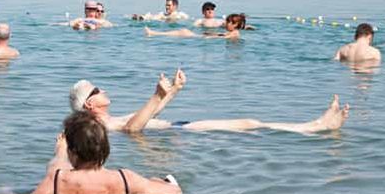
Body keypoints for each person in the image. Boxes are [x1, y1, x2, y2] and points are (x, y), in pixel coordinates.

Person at [70, 73, 349, 134]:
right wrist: (156, 95)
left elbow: (150, 113)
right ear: (89, 105)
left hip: (179, 128)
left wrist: (174, 90)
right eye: (96, 90)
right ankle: (316, 127)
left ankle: (315, 124)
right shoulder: (104, 127)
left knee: (250, 123)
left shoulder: (109, 120)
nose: (103, 89)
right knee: (250, 124)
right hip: (182, 131)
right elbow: (134, 129)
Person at [32, 111, 182, 194]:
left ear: (72, 152)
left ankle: (60, 151)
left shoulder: (57, 180)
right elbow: (175, 192)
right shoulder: (125, 179)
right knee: (154, 182)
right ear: (105, 148)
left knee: (57, 165)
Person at [144, 13, 246, 39]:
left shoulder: (235, 33)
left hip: (203, 38)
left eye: (228, 22)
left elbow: (225, 38)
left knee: (184, 32)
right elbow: (223, 36)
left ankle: (155, 33)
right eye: (227, 21)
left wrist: (211, 37)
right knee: (183, 31)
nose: (226, 24)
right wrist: (213, 34)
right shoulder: (232, 32)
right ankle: (155, 33)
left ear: (235, 24)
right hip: (204, 36)